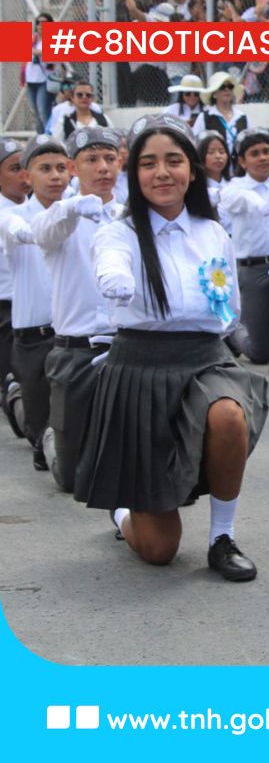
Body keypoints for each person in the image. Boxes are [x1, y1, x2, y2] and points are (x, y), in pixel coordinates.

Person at [78, 114, 269, 582]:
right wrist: (116, 281)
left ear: (192, 169)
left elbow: (230, 308)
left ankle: (222, 537)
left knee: (228, 414)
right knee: (160, 549)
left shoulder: (212, 232)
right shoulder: (118, 234)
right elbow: (111, 262)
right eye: (148, 163)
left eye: (173, 161)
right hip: (141, 369)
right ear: (133, 173)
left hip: (205, 360)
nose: (162, 173)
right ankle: (124, 513)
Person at [32, 128, 120, 492]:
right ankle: (53, 438)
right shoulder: (59, 217)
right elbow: (44, 233)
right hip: (75, 349)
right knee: (71, 479)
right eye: (92, 160)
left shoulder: (130, 213)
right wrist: (71, 207)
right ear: (72, 167)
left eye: (110, 159)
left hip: (124, 345)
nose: (103, 168)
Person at [1, 136, 73, 471]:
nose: (55, 175)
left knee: (68, 431)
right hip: (33, 335)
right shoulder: (12, 217)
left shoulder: (80, 210)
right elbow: (22, 231)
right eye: (44, 168)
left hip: (71, 334)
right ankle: (20, 403)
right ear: (28, 176)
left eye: (61, 167)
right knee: (39, 429)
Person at [215, 129, 269, 366]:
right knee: (260, 353)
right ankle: (231, 330)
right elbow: (236, 200)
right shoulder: (235, 187)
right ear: (242, 161)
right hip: (254, 270)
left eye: (267, 151)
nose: (263, 158)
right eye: (255, 154)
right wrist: (259, 202)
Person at [0, 139, 26, 441]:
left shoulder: (47, 208)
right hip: (5, 306)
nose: (23, 175)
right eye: (14, 168)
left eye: (25, 168)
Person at [193, 72, 251, 175]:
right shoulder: (204, 117)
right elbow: (195, 144)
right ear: (214, 94)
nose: (227, 89)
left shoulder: (243, 117)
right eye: (222, 87)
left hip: (240, 173)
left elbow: (250, 144)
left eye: (230, 86)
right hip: (214, 174)